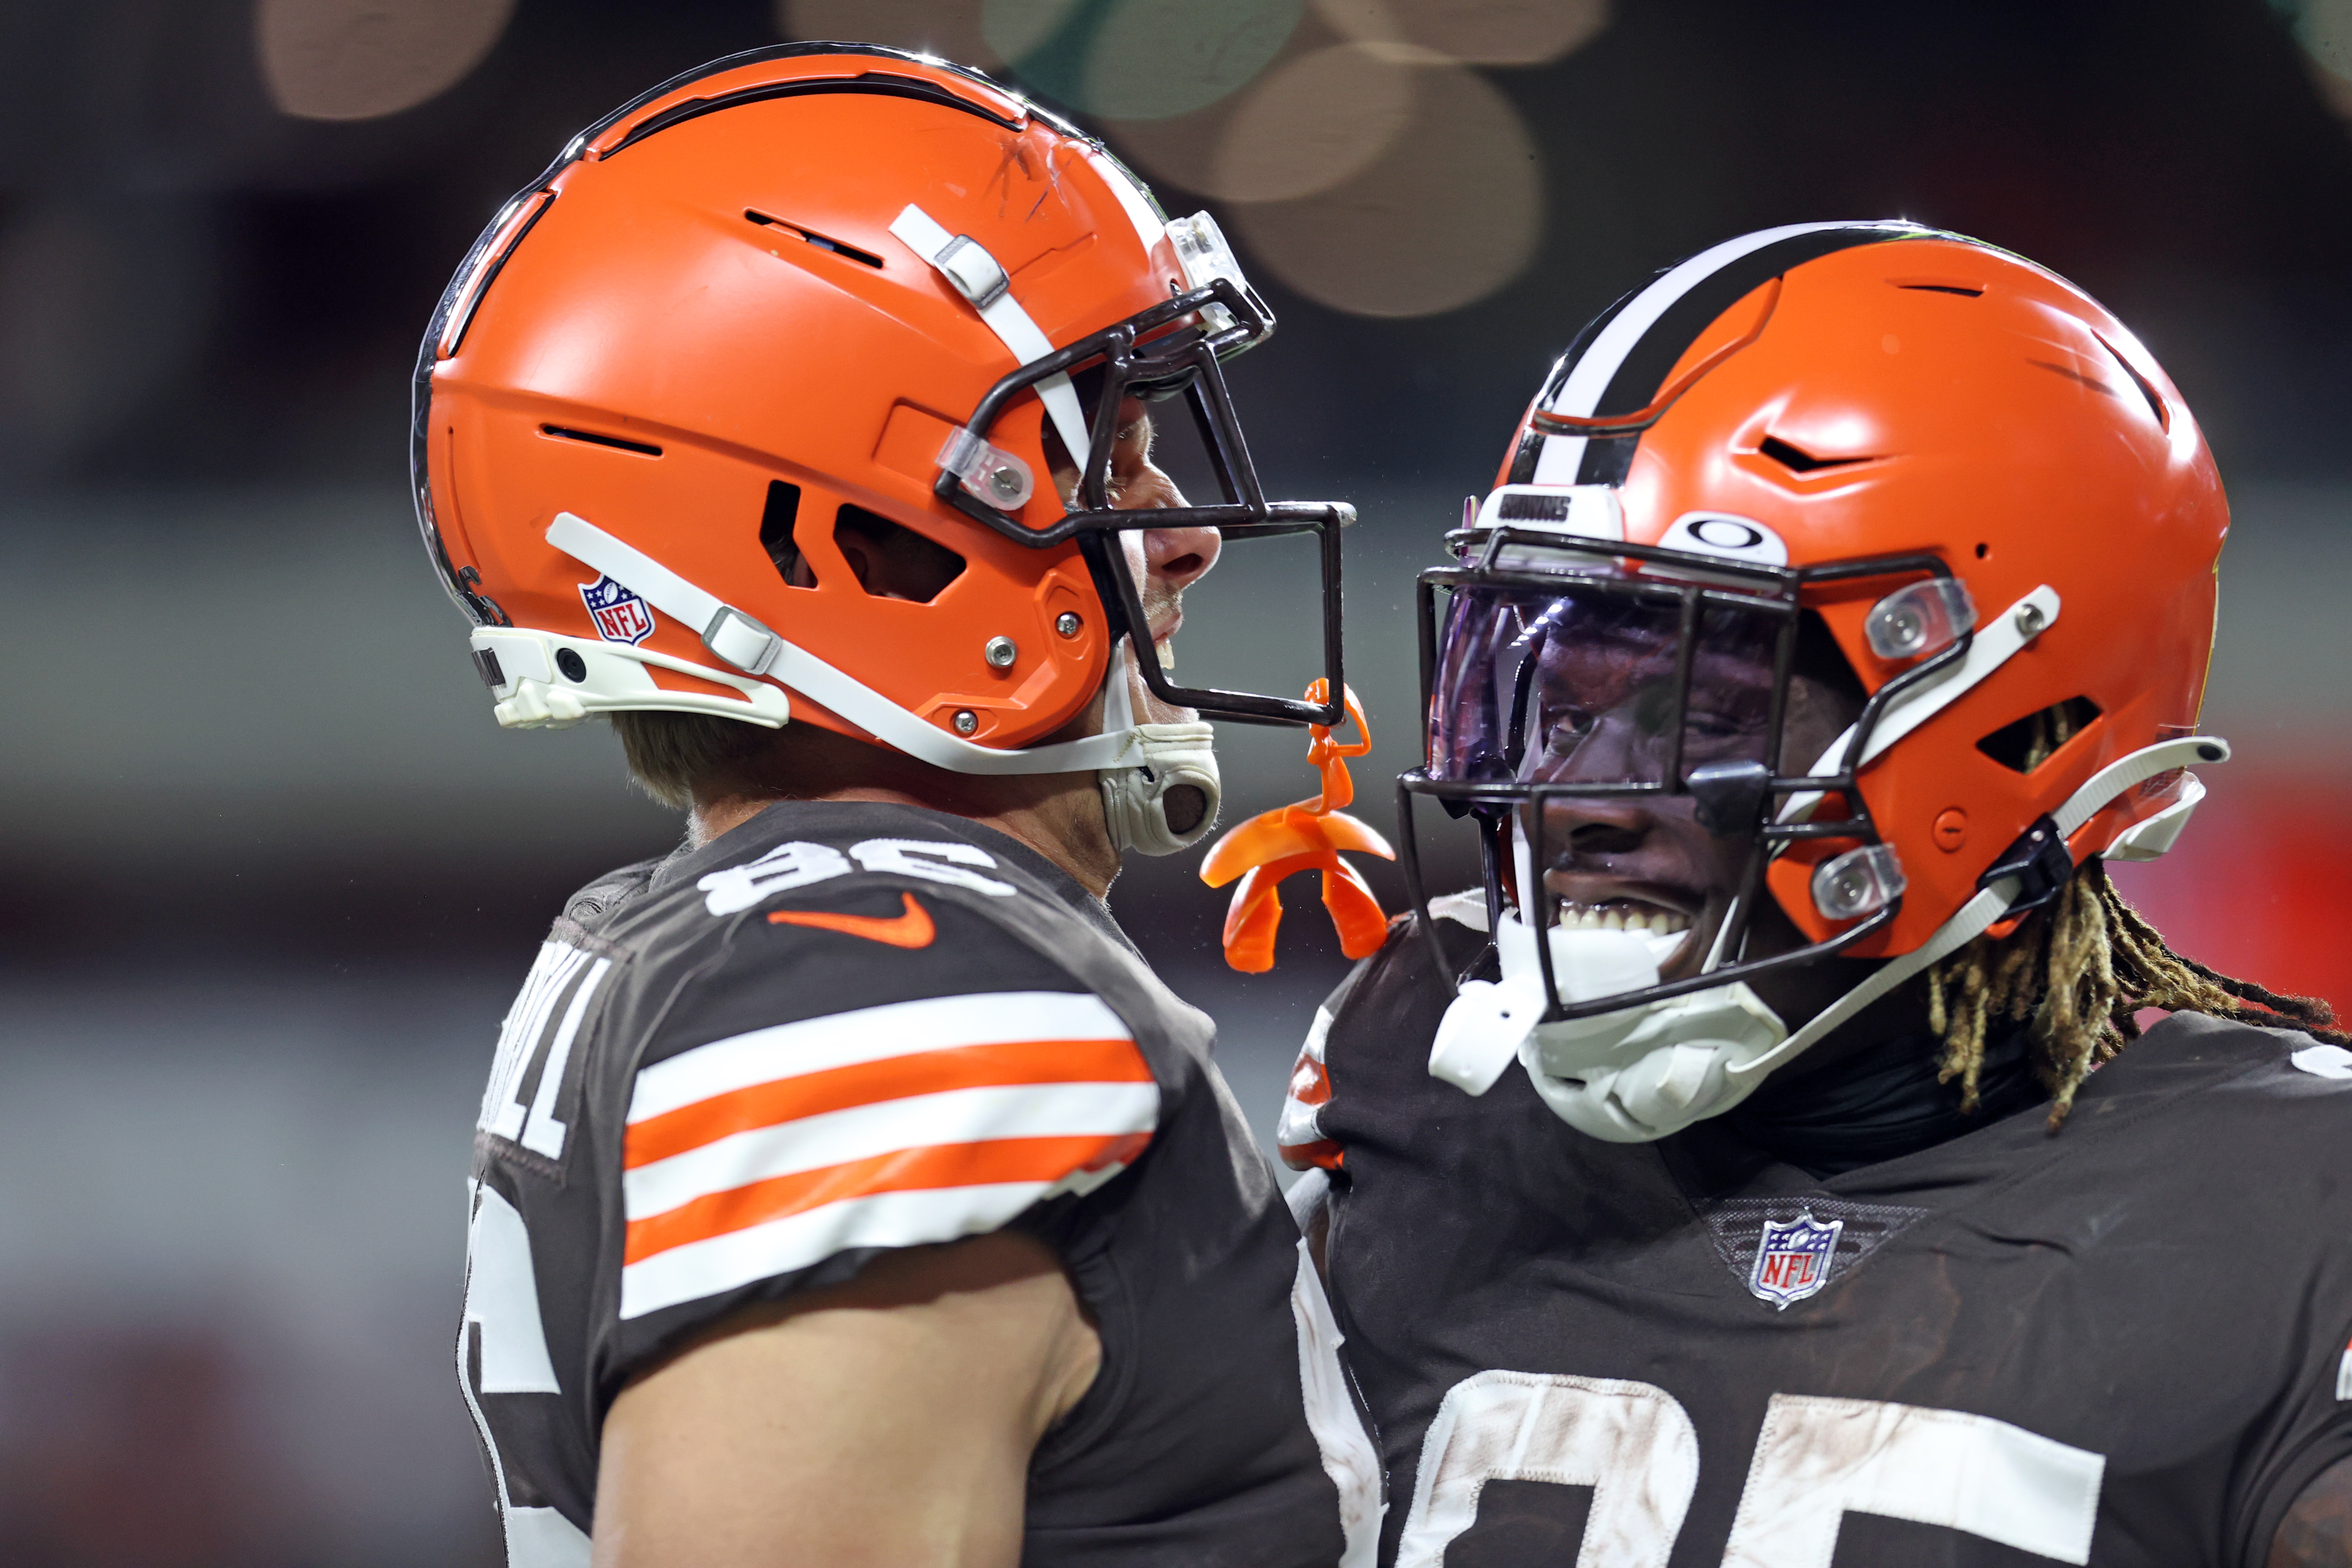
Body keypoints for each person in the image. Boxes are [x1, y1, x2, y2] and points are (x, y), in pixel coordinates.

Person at [424, 44, 1376, 1567]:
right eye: (1098, 455)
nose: (1179, 539)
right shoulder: (886, 975)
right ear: (855, 543)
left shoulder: (719, 937)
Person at [1281, 222, 2352, 1566]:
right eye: (1558, 703)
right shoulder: (1413, 1090)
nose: (1584, 800)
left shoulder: (2293, 1207)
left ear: (2022, 731)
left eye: (1707, 710)